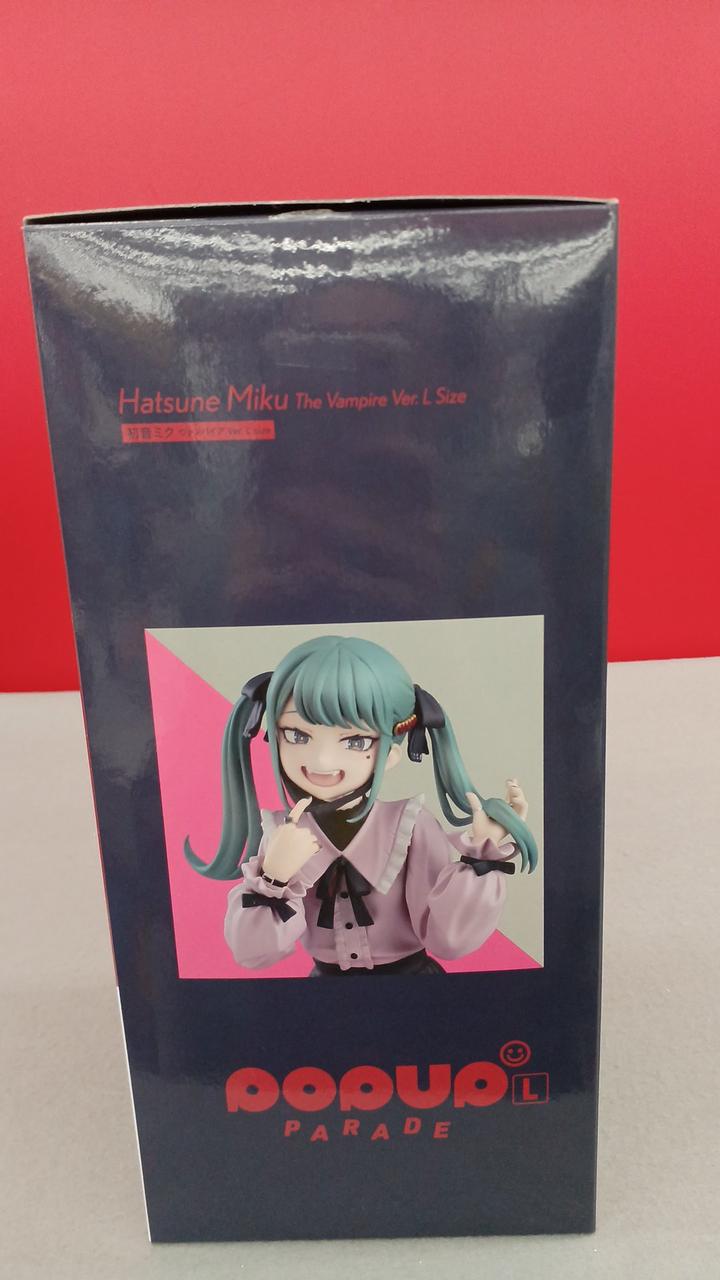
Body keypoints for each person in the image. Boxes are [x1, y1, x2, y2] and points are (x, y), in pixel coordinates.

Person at [185, 635, 537, 975]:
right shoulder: (281, 834)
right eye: (297, 735)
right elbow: (253, 954)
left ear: (391, 753)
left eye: (355, 741)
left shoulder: (410, 827)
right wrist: (273, 877)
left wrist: (481, 856)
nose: (322, 760)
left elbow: (449, 940)